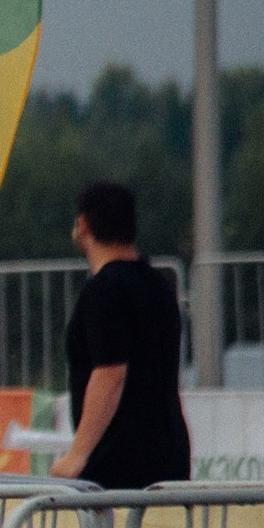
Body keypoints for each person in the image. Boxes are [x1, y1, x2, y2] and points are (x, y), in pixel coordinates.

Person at [57, 181, 190, 488]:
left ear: (83, 224)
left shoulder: (104, 289)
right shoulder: (159, 285)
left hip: (118, 460)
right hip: (169, 451)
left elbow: (110, 374)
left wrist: (77, 455)